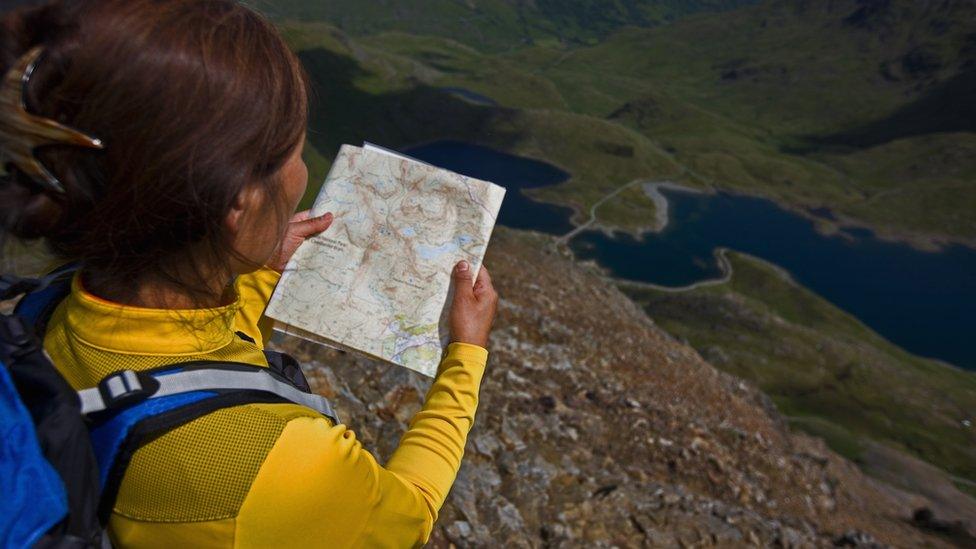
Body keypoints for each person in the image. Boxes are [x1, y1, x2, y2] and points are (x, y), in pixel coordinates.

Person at [0, 0, 498, 546]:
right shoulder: (283, 467)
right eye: (294, 149)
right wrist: (465, 358)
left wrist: (249, 265)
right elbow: (406, 515)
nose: (305, 172)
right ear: (236, 203)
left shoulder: (49, 309)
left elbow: (186, 366)